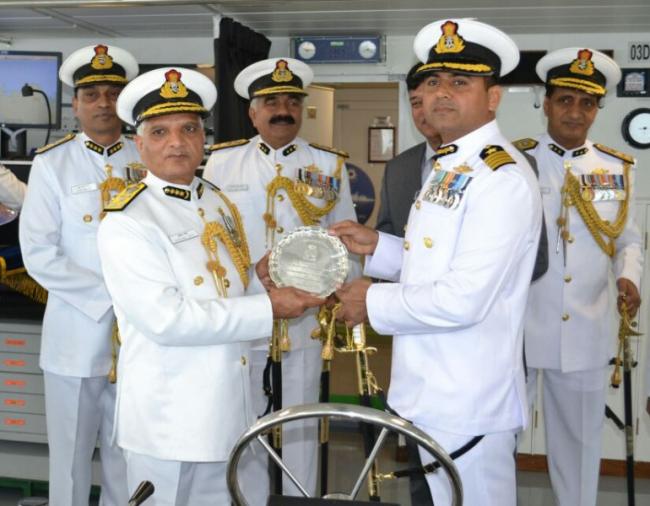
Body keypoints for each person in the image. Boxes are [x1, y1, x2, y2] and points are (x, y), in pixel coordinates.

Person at [329, 18, 542, 506]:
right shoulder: (451, 164)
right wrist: (377, 247)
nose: (441, 93)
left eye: (460, 82)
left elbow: (463, 298)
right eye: (433, 82)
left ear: (493, 97)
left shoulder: (499, 177)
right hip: (432, 389)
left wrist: (371, 301)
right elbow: (433, 263)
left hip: (468, 396)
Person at [97, 67, 323, 505]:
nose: (176, 142)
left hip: (231, 406)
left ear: (204, 137)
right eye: (159, 132)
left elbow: (226, 285)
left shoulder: (215, 200)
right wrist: (269, 308)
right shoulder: (128, 220)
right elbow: (167, 319)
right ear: (139, 144)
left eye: (189, 129)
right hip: (170, 420)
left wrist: (258, 278)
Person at [203, 57, 359, 500]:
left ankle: (299, 498)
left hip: (304, 322)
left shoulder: (327, 165)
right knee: (245, 423)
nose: (283, 110)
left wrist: (336, 291)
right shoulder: (222, 162)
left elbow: (347, 242)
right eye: (271, 102)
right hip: (245, 314)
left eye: (292, 102)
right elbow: (210, 241)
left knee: (301, 425)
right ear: (253, 112)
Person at [519, 48, 643, 506]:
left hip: (586, 330)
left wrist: (629, 277)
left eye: (586, 103)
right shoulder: (515, 160)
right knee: (500, 437)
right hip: (519, 327)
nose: (575, 112)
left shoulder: (616, 168)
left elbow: (628, 240)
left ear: (597, 110)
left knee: (581, 447)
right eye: (565, 100)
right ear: (547, 103)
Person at [19, 44, 140, 506]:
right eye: (92, 95)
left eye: (113, 93)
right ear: (76, 104)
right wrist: (111, 297)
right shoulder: (52, 164)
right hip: (75, 337)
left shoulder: (148, 156)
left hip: (140, 337)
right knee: (69, 461)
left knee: (126, 456)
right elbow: (39, 253)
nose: (103, 103)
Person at [375, 62, 441, 236]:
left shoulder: (486, 164)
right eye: (416, 103)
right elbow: (387, 233)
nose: (425, 112)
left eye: (432, 102)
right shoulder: (397, 169)